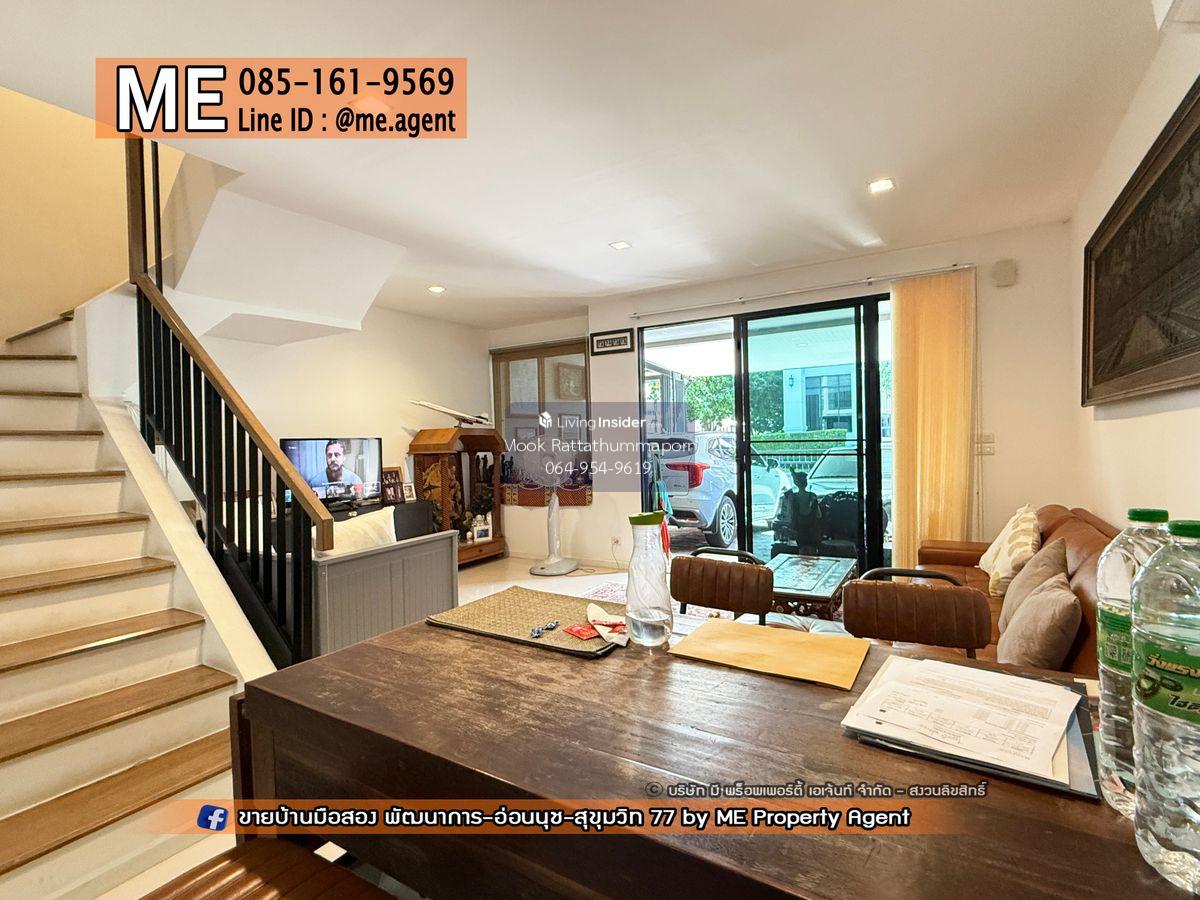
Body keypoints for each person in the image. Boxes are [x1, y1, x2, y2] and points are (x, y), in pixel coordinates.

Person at [778, 469, 823, 555]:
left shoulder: (792, 497)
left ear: (796, 483)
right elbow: (819, 515)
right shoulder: (813, 496)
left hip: (799, 530)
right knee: (813, 553)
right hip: (813, 530)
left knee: (802, 553)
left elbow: (790, 515)